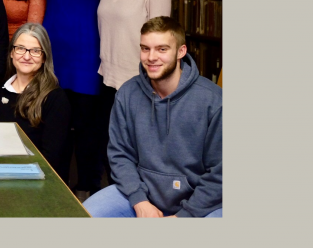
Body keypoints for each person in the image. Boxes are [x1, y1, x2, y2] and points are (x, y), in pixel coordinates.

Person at [83, 16, 222, 218]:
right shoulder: (127, 94)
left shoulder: (213, 101)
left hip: (200, 203)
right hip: (142, 194)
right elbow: (120, 155)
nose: (151, 57)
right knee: (87, 214)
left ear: (180, 52)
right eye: (145, 48)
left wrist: (185, 216)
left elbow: (221, 172)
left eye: (162, 49)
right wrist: (139, 200)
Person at [33, 0, 105, 198]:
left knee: (89, 130)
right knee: (55, 127)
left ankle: (88, 191)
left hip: (88, 53)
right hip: (53, 53)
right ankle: (56, 189)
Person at [96, 0, 172, 176]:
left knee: (138, 160)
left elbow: (162, 46)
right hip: (108, 80)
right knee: (111, 156)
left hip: (140, 86)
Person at [0, 23, 71, 183]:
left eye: (35, 51)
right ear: (11, 53)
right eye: (20, 48)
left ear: (44, 57)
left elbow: (51, 159)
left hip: (35, 181)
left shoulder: (55, 98)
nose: (27, 56)